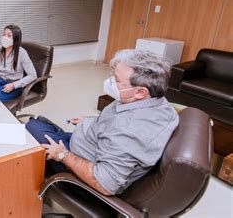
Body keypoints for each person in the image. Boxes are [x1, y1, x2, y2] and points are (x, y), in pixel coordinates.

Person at [26, 49, 179, 196]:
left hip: (84, 172)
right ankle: (55, 133)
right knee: (39, 124)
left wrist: (62, 154)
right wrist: (92, 122)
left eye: (117, 80)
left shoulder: (128, 131)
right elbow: (115, 124)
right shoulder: (156, 102)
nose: (110, 82)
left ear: (140, 92)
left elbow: (105, 184)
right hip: (92, 144)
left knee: (31, 128)